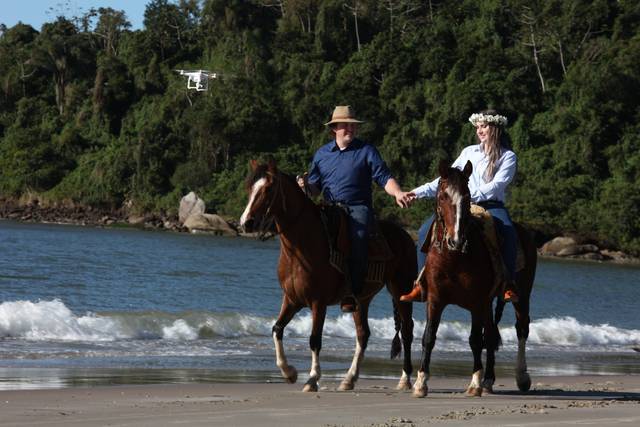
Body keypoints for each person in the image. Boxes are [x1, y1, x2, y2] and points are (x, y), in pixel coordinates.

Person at [299, 105, 413, 312]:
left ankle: (353, 291)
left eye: (353, 126)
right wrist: (305, 186)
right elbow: (314, 188)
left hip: (357, 207)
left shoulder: (366, 151)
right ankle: (310, 283)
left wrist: (397, 193)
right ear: (334, 128)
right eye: (346, 126)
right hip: (330, 207)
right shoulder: (322, 154)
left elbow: (383, 177)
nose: (350, 129)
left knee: (358, 235)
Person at [401, 109, 520, 303]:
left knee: (508, 232)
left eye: (484, 126)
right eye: (478, 127)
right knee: (424, 231)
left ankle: (508, 284)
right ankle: (420, 285)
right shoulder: (468, 152)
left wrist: (470, 197)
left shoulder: (508, 156)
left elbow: (497, 185)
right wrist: (417, 192)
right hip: (460, 203)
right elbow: (446, 179)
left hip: (490, 204)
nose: (480, 131)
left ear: (496, 128)